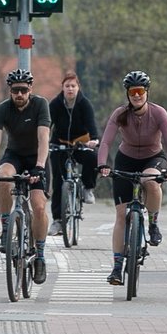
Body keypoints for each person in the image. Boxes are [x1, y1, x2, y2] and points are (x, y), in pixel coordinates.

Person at [96, 71, 167, 285]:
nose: (137, 95)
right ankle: (117, 267)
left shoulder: (159, 113)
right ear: (127, 94)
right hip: (126, 159)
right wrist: (103, 164)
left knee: (150, 181)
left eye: (140, 91)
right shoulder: (120, 113)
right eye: (133, 92)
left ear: (147, 92)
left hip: (154, 158)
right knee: (121, 216)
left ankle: (153, 224)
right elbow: (106, 142)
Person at [0, 68, 52, 285]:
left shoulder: (40, 104)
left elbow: (43, 139)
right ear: (10, 90)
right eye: (15, 91)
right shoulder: (2, 109)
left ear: (30, 88)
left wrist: (39, 167)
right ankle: (6, 228)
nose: (19, 94)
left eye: (23, 90)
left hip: (37, 159)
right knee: (3, 177)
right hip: (14, 156)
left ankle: (39, 255)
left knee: (39, 207)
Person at [47, 71, 100, 237]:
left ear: (78, 88)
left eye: (73, 86)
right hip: (59, 143)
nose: (70, 89)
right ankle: (57, 221)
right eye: (67, 86)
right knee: (58, 182)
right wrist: (43, 142)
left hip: (80, 143)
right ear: (62, 88)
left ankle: (87, 188)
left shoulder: (85, 104)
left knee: (93, 157)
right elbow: (46, 125)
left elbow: (92, 127)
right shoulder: (55, 104)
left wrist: (94, 140)